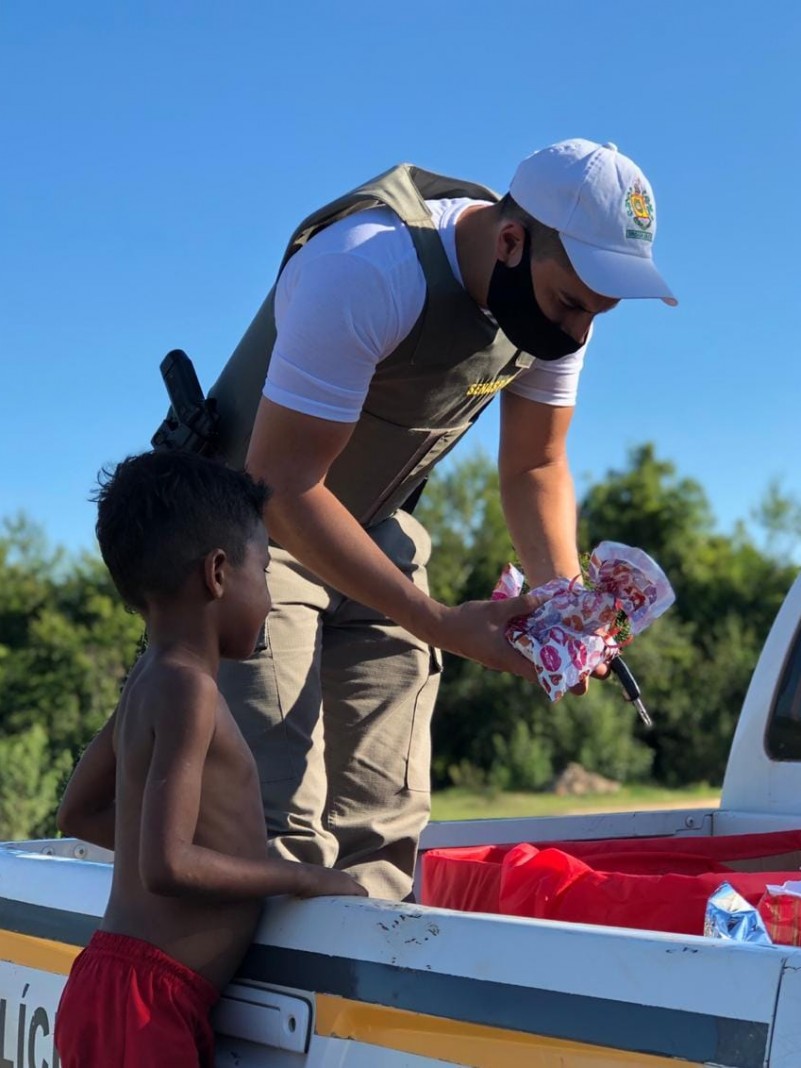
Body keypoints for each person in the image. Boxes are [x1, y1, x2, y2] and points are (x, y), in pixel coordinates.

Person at [201, 137, 677, 902]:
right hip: (251, 533)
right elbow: (281, 484)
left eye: (599, 312)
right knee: (275, 829)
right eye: (572, 305)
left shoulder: (551, 301)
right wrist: (436, 620)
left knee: (382, 827)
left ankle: (362, 1015)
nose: (580, 332)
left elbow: (535, 466)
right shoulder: (367, 266)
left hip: (373, 524)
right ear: (512, 240)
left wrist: (565, 610)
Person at [53, 450, 365, 1068]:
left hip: (122, 990)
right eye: (267, 571)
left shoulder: (153, 678)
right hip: (144, 1003)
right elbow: (167, 866)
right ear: (218, 573)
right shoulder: (190, 690)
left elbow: (77, 812)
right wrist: (299, 875)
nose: (273, 600)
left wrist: (203, 863)